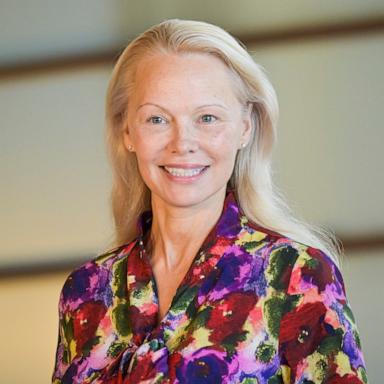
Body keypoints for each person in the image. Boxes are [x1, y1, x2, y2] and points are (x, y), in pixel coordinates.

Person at [52, 19, 367, 383]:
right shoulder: (85, 291)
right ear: (127, 131)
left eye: (207, 118)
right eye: (156, 119)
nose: (182, 143)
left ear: (245, 127)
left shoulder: (296, 275)